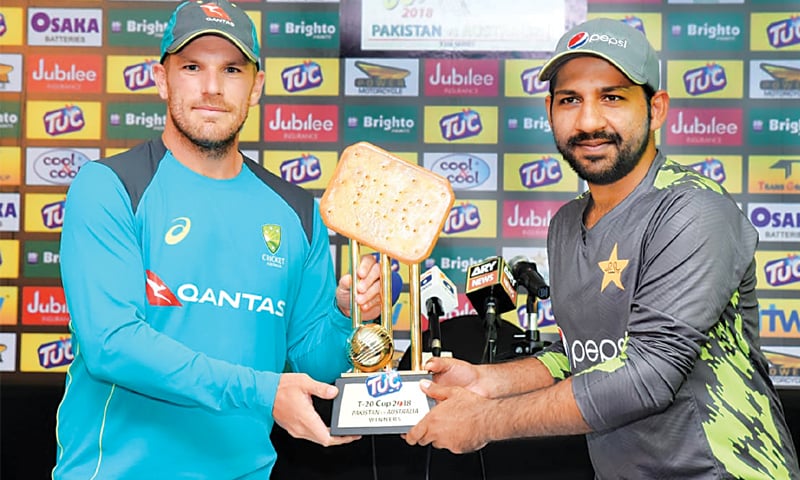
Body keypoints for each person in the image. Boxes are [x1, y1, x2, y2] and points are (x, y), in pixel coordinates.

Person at [405, 17, 800, 479]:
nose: (589, 121)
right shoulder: (566, 222)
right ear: (549, 110)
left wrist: (484, 420)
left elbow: (648, 375)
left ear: (656, 109)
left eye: (612, 97)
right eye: (570, 100)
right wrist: (487, 380)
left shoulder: (693, 210)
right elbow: (584, 352)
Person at [52, 1, 383, 478]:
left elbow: (314, 364)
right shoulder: (111, 187)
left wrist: (346, 317)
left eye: (231, 69)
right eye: (192, 67)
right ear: (162, 79)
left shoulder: (297, 211)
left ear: (256, 87)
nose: (211, 87)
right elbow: (113, 344)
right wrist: (261, 391)